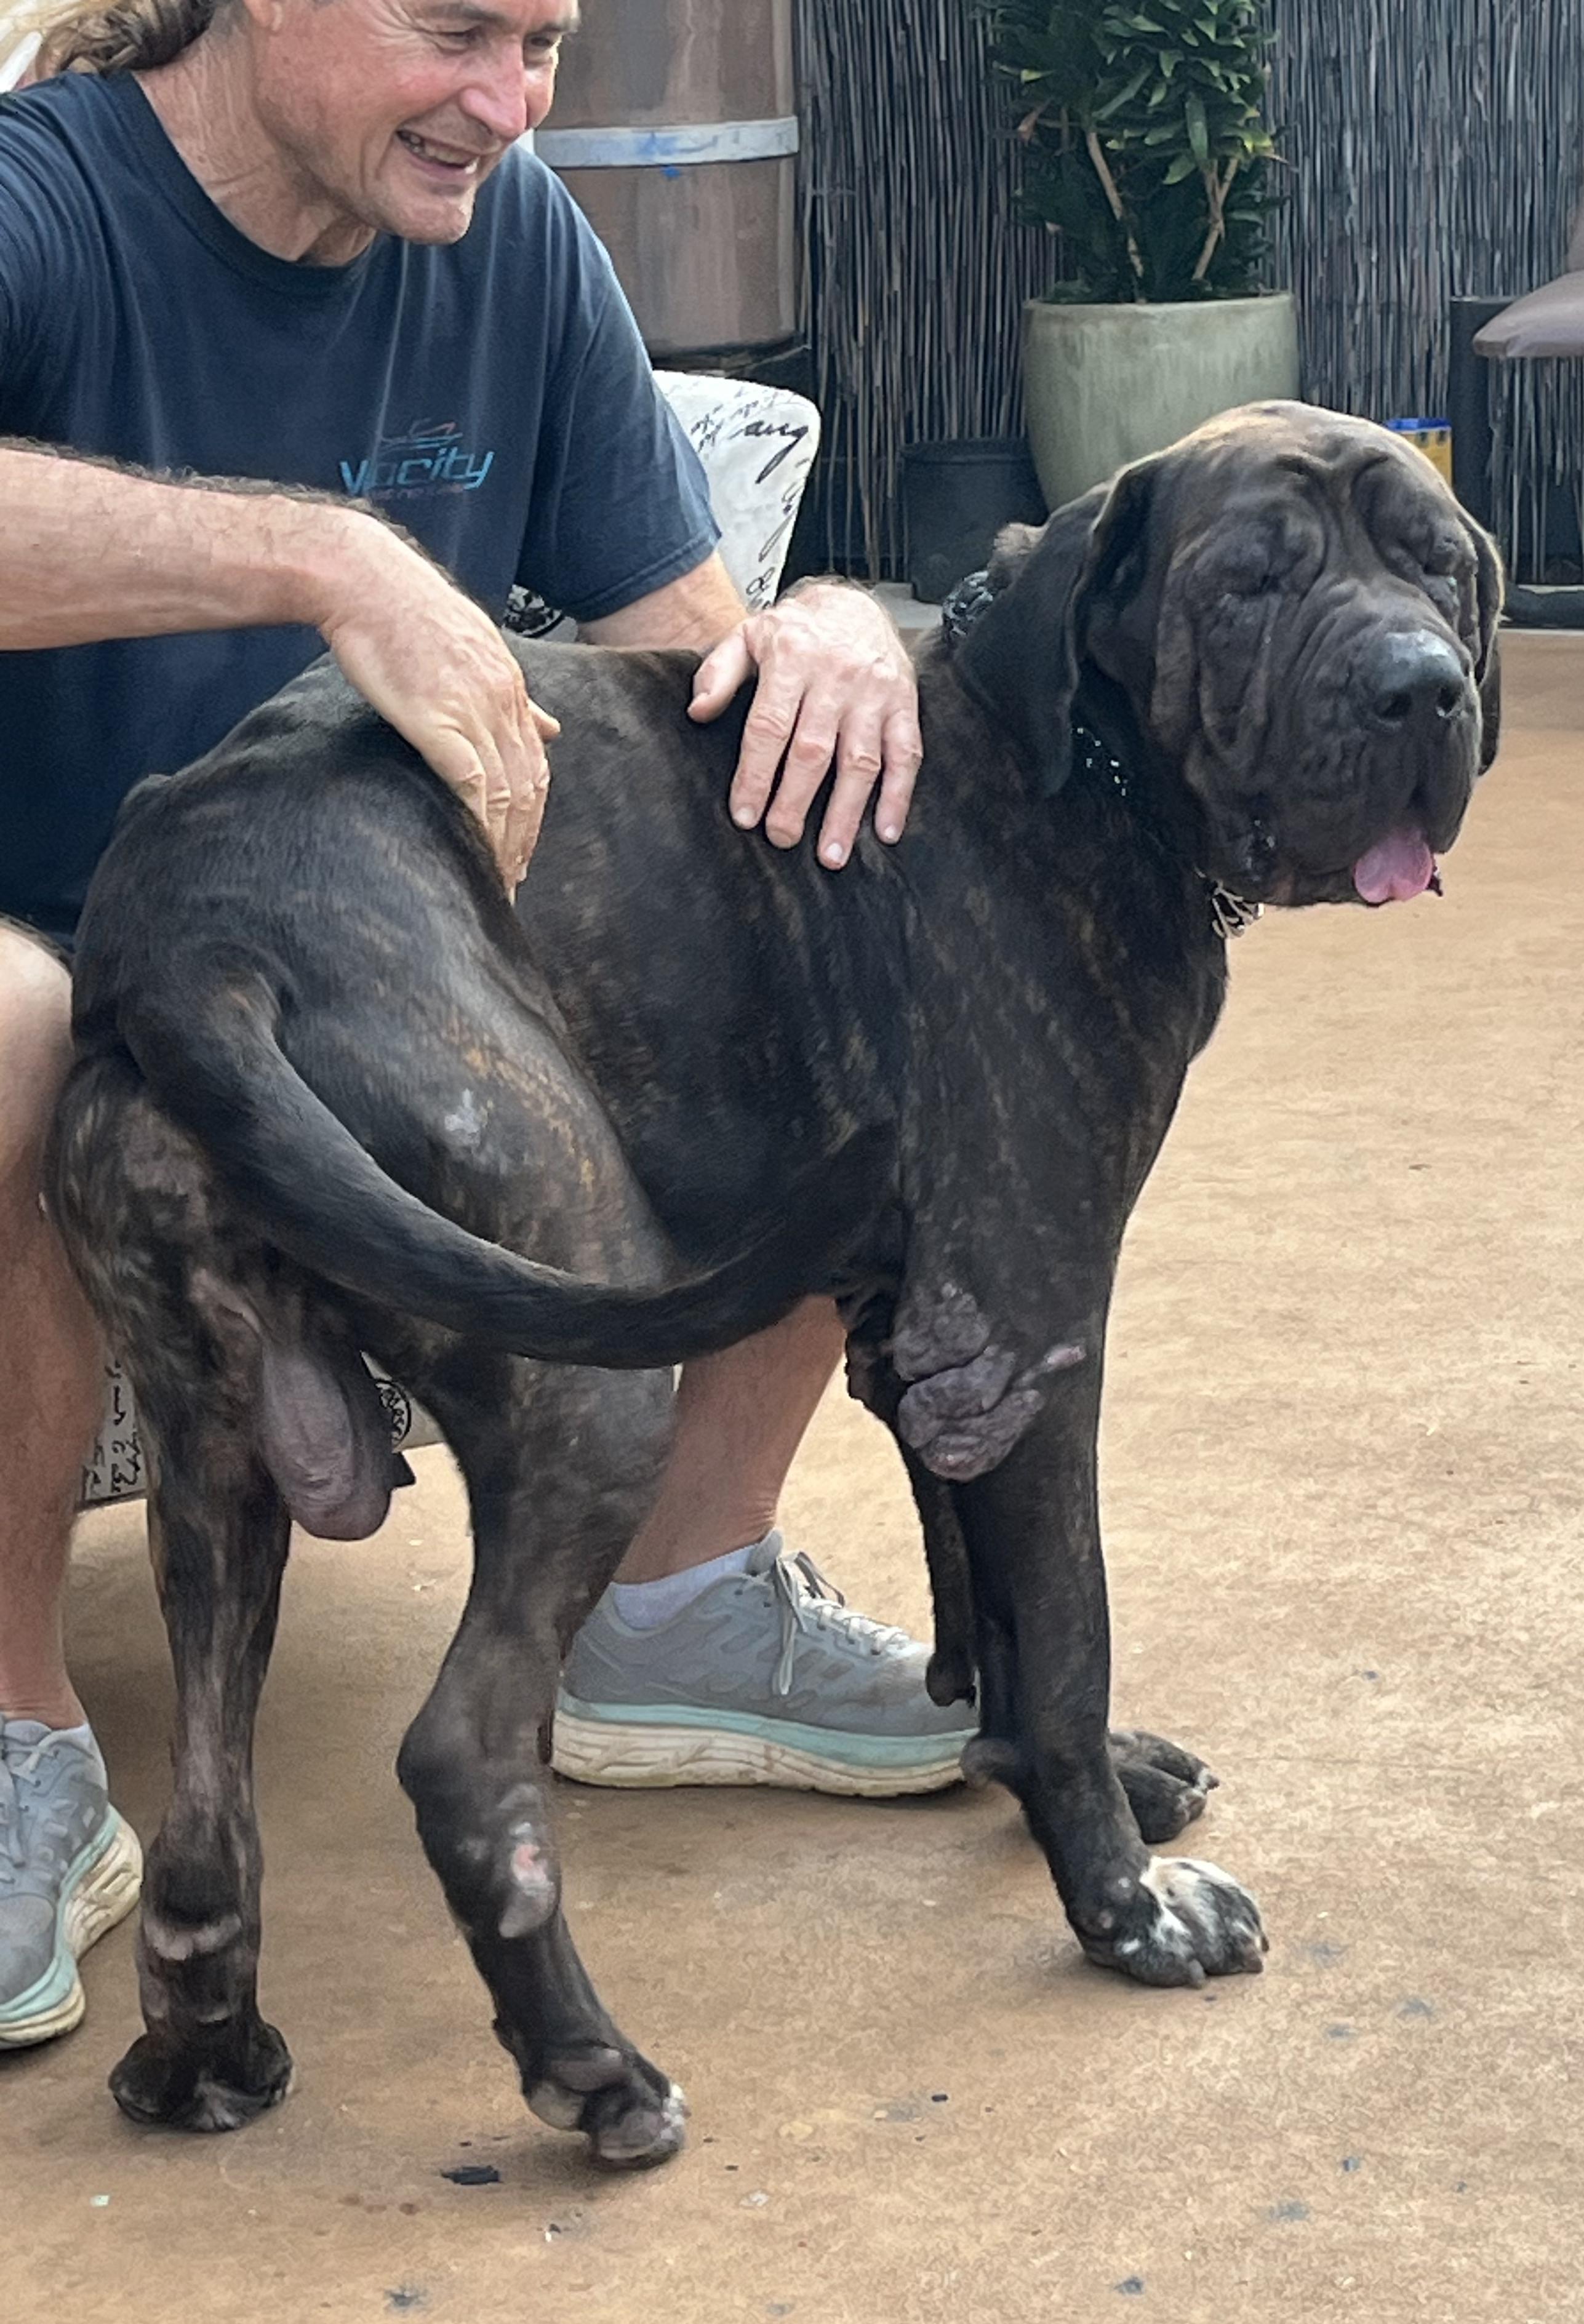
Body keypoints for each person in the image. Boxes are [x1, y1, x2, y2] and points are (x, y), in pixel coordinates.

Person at [0, 0, 974, 2053]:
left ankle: (675, 1600)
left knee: (838, 887)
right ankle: (17, 1736)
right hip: (58, 943)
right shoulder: (48, 201)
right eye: (461, 29)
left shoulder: (513, 240)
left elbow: (687, 668)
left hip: (391, 980)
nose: (512, 105)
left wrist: (836, 638)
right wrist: (317, 552)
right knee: (13, 1028)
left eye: (544, 42)